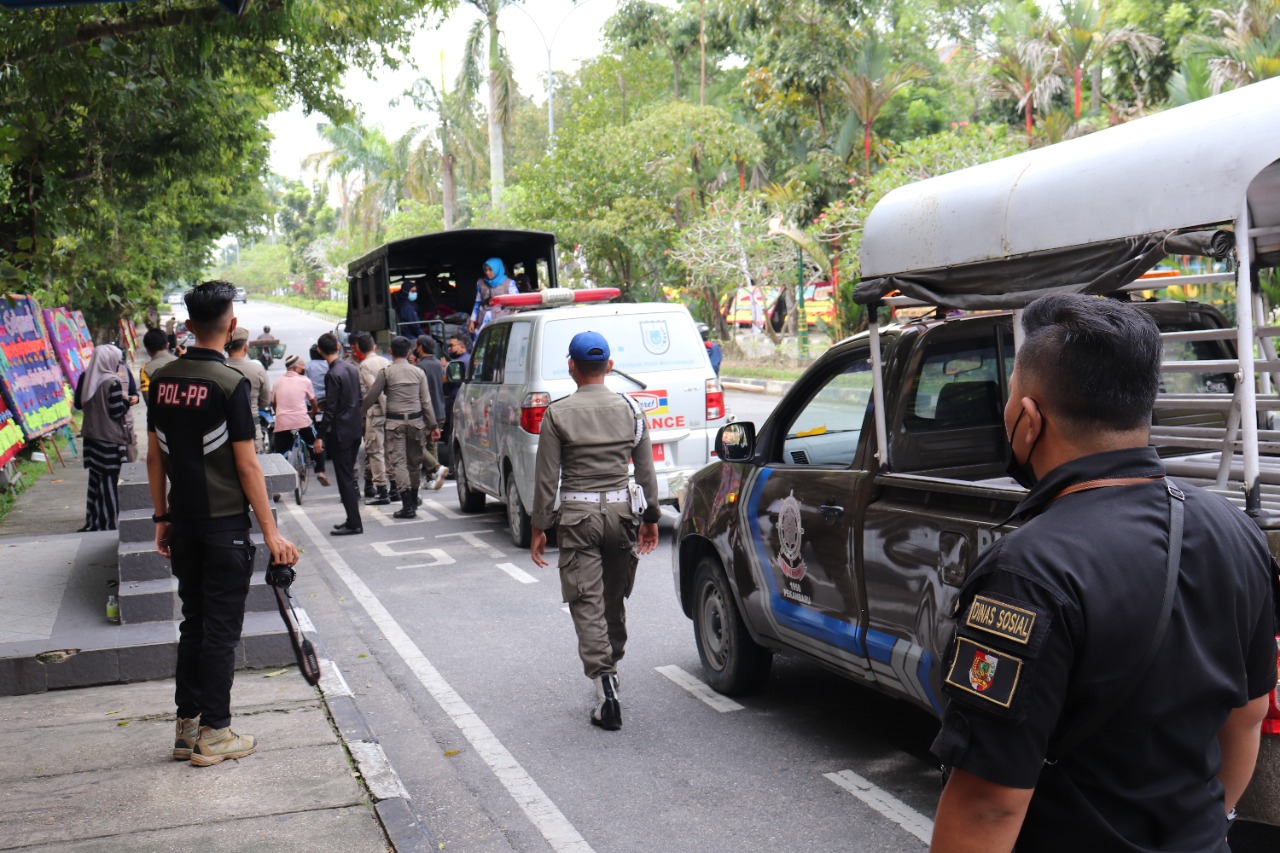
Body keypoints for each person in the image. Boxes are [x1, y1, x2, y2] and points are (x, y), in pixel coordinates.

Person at [930, 294, 1277, 852]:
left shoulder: (1028, 572)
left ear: (1028, 418)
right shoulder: (1235, 531)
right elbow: (1247, 717)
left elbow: (989, 804)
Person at [145, 280, 298, 767]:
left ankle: (186, 727)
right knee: (220, 633)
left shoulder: (162, 379)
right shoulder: (232, 383)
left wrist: (162, 517)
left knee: (194, 623)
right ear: (230, 326)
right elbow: (249, 465)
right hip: (224, 526)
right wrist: (271, 531)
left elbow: (154, 457)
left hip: (185, 523)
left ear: (188, 326)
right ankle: (216, 734)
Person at [529, 331, 661, 731]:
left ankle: (604, 683)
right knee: (613, 597)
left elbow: (547, 477)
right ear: (608, 365)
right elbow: (645, 470)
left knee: (586, 601)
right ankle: (613, 668)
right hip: (622, 514)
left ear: (572, 365)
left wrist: (539, 526)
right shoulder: (631, 409)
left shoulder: (558, 413)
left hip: (577, 518)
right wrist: (651, 518)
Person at [362, 336, 439, 519]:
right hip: (416, 423)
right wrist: (433, 425)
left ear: (390, 351)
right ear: (409, 352)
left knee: (399, 463)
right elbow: (426, 402)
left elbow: (372, 397)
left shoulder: (386, 373)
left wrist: (358, 414)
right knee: (414, 462)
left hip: (394, 424)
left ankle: (407, 506)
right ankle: (413, 500)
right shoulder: (418, 372)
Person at [74, 344, 133, 531]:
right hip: (109, 439)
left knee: (96, 480)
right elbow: (117, 412)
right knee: (110, 482)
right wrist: (125, 400)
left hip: (92, 438)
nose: (117, 365)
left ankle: (94, 520)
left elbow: (78, 404)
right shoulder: (111, 382)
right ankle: (108, 522)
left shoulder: (87, 378)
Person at [315, 333, 364, 535]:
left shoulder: (332, 374)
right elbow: (358, 398)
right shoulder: (351, 368)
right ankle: (352, 519)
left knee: (344, 478)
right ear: (337, 346)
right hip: (354, 429)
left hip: (341, 433)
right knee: (348, 477)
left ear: (320, 351)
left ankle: (354, 523)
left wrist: (320, 435)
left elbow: (331, 409)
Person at [270, 354, 329, 486]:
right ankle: (320, 472)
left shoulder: (277, 382)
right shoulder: (305, 381)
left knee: (280, 452)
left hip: (282, 421)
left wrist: (278, 412)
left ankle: (277, 486)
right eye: (302, 365)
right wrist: (314, 410)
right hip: (302, 420)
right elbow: (313, 400)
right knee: (316, 444)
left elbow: (273, 402)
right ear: (296, 367)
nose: (304, 367)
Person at [353, 333, 393, 505]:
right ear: (374, 347)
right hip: (391, 411)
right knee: (390, 451)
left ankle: (382, 490)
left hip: (377, 412)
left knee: (375, 452)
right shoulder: (386, 362)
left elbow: (376, 391)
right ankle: (396, 488)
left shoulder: (364, 365)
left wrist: (383, 411)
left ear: (359, 349)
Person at [414, 334, 449, 489]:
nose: (415, 348)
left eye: (416, 345)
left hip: (425, 412)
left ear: (421, 347)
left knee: (415, 445)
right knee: (431, 445)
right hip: (440, 409)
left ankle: (436, 468)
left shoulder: (420, 367)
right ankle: (431, 479)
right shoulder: (437, 364)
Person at [225, 326, 270, 446]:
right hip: (252, 433)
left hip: (222, 436)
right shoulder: (257, 370)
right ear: (246, 347)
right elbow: (265, 402)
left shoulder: (216, 368)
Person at [467, 257, 518, 334]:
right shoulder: (480, 282)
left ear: (497, 269)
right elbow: (477, 302)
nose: (487, 272)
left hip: (501, 319)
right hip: (483, 318)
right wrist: (472, 320)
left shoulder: (509, 283)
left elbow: (517, 302)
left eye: (490, 270)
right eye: (485, 270)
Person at [138, 328, 177, 407]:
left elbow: (148, 400)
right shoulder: (182, 362)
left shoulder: (145, 370)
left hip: (159, 417)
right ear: (167, 345)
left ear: (147, 349)